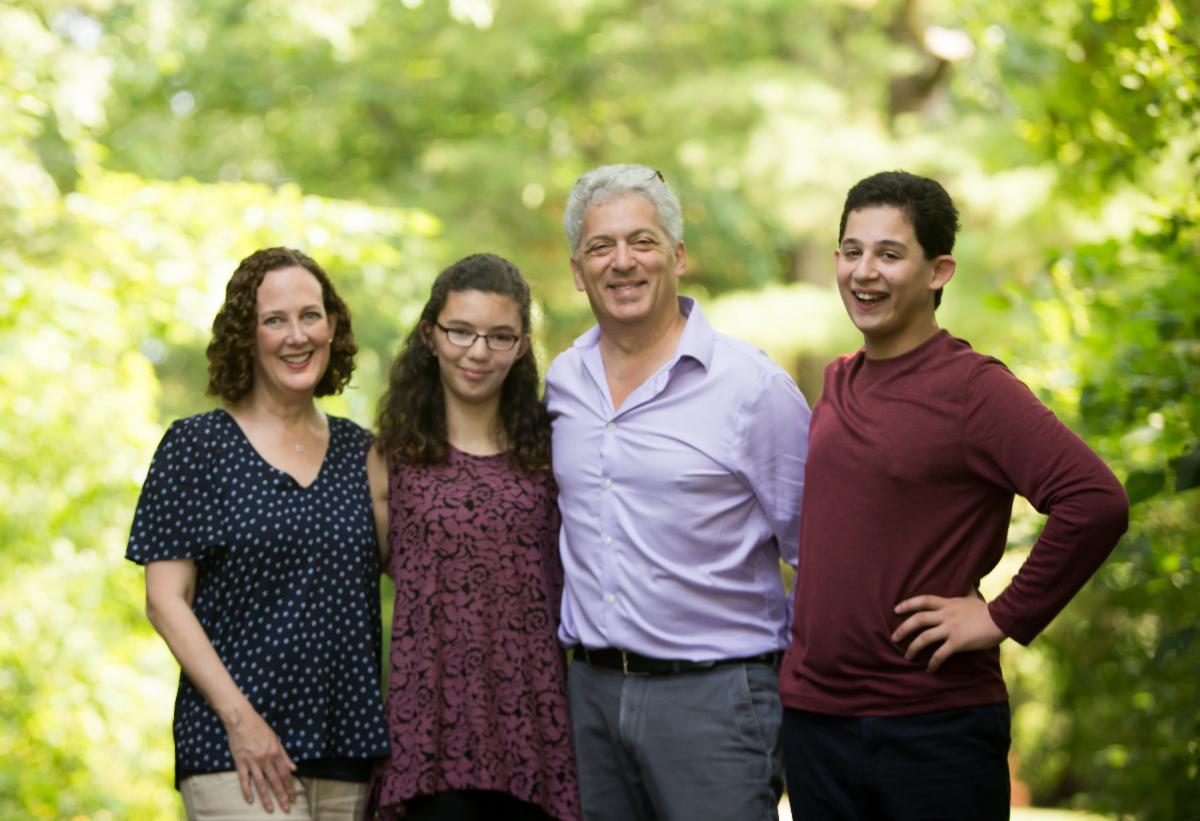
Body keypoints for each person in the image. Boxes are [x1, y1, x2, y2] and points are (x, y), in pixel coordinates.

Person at [779, 171, 1130, 820]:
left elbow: (1095, 499)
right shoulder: (837, 380)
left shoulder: (974, 388)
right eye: (852, 251)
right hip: (815, 721)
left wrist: (1000, 615)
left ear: (939, 270)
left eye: (889, 253)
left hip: (929, 727)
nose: (865, 272)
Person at [546, 164, 811, 821]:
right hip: (590, 698)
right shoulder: (563, 383)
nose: (623, 261)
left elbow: (819, 551)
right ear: (578, 270)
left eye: (642, 241)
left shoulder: (753, 387)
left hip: (717, 698)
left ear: (678, 255)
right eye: (601, 247)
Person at [126, 247, 389, 819]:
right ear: (246, 336)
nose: (296, 335)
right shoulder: (197, 446)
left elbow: (418, 569)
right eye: (275, 320)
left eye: (310, 316)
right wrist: (242, 724)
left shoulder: (363, 453)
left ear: (333, 326)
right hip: (235, 753)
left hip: (348, 752)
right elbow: (165, 600)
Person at [367, 253, 580, 821]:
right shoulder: (389, 459)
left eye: (499, 336)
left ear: (522, 345)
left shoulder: (555, 455)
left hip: (538, 729)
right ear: (429, 336)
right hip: (429, 735)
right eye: (460, 331)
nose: (478, 351)